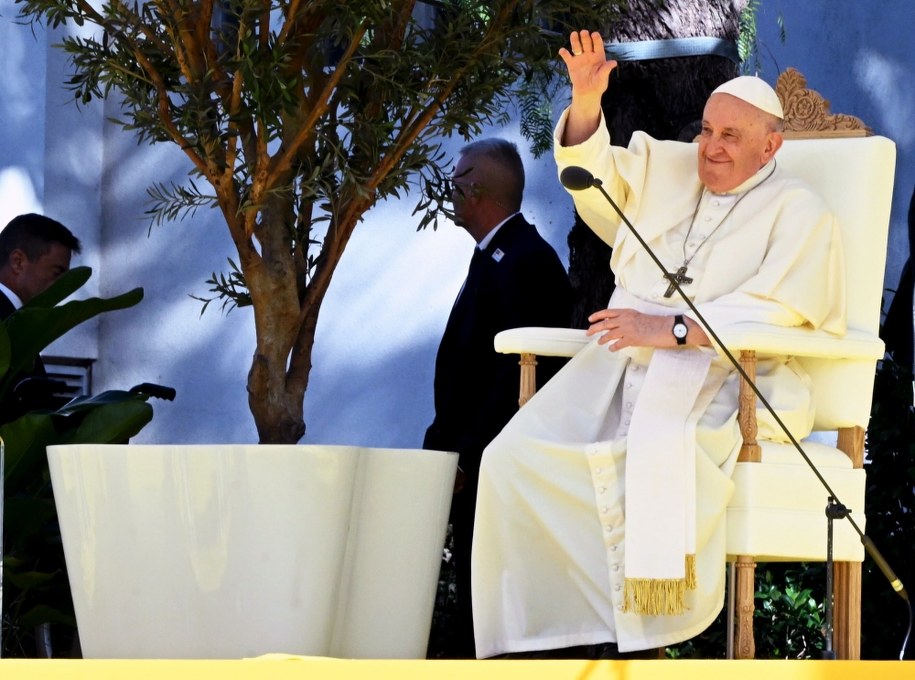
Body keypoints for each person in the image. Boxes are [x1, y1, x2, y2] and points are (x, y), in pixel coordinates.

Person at [470, 30, 846, 659]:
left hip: (724, 383)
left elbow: (775, 313)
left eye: (731, 137)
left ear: (771, 146)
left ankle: (630, 646)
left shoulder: (800, 212)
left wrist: (669, 330)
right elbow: (595, 179)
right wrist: (587, 101)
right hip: (621, 368)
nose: (711, 149)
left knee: (623, 463)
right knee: (512, 458)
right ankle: (545, 642)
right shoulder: (673, 168)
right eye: (707, 131)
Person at [423, 138, 573, 658]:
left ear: (480, 189)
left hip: (493, 469)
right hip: (474, 466)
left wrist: (467, 455)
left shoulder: (524, 261)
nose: (452, 188)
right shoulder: (496, 255)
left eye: (460, 177)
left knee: (493, 612)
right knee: (472, 605)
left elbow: (517, 378)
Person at [0, 213, 82, 418]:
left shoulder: (18, 318)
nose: (65, 286)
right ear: (18, 262)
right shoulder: (6, 321)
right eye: (57, 273)